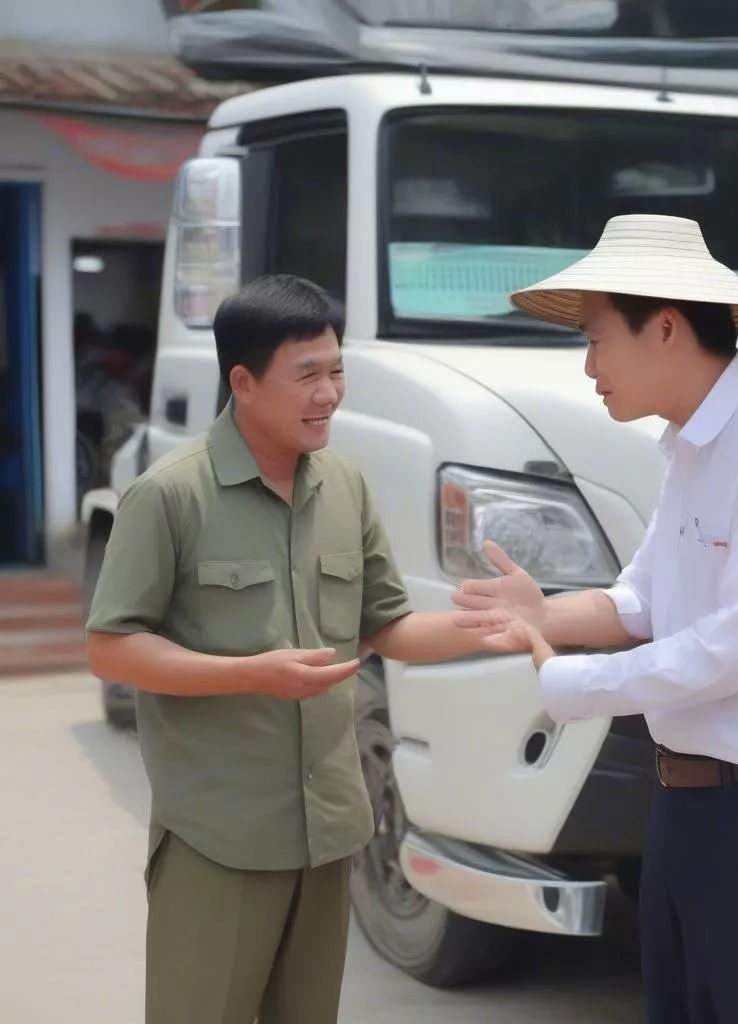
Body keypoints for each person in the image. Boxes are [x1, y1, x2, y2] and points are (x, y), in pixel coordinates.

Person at [452, 214, 738, 1024]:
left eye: (598, 338)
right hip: (687, 810)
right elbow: (645, 598)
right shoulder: (690, 448)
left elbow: (731, 650)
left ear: (668, 328)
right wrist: (549, 615)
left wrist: (567, 679)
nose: (588, 366)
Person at [85, 274, 508, 1024]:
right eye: (307, 375)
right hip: (219, 837)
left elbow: (387, 626)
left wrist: (492, 625)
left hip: (328, 833)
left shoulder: (344, 486)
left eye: (337, 370)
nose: (330, 394)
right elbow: (113, 649)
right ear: (242, 382)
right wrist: (251, 674)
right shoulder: (171, 495)